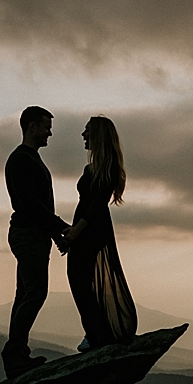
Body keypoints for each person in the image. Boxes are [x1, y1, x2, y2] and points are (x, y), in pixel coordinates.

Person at [1, 106, 71, 379]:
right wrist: (61, 228)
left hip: (33, 234)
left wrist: (55, 236)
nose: (49, 133)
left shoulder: (28, 159)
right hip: (29, 235)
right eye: (45, 127)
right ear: (31, 127)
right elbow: (31, 204)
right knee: (35, 293)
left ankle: (17, 355)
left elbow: (39, 206)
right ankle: (14, 354)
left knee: (25, 294)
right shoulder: (21, 160)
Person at [63, 116, 137, 352]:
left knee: (79, 278)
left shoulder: (110, 168)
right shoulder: (92, 168)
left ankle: (97, 334)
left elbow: (96, 204)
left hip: (92, 228)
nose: (83, 136)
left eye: (87, 132)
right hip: (86, 227)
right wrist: (73, 231)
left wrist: (77, 231)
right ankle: (95, 332)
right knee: (80, 279)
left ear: (98, 135)